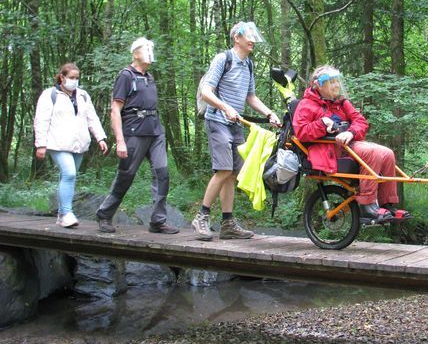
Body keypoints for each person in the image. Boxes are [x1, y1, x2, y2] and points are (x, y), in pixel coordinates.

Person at [192, 21, 281, 241]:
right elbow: (206, 92)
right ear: (236, 38)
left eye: (254, 36)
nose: (252, 40)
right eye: (248, 36)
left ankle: (228, 223)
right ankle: (201, 217)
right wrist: (225, 107)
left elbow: (251, 97)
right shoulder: (223, 59)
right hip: (217, 121)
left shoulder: (248, 65)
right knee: (223, 170)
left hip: (235, 125)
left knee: (232, 174)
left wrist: (270, 114)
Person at [292, 65, 411, 222]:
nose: (337, 85)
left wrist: (351, 132)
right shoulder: (307, 105)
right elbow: (301, 132)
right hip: (326, 150)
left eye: (337, 81)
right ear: (318, 85)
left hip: (346, 146)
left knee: (387, 153)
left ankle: (386, 204)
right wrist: (322, 123)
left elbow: (360, 121)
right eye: (332, 82)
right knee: (370, 152)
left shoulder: (341, 103)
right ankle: (367, 206)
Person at [95, 38, 179, 234]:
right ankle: (105, 215)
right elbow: (115, 110)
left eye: (152, 48)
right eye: (146, 49)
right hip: (134, 131)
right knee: (126, 176)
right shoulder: (125, 76)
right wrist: (120, 141)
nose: (151, 52)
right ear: (135, 54)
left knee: (162, 174)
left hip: (155, 131)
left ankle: (158, 221)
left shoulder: (149, 77)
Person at [34, 63, 109, 228]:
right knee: (69, 174)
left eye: (77, 78)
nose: (74, 81)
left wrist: (101, 138)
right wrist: (40, 144)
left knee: (67, 177)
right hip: (58, 143)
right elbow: (41, 120)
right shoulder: (50, 95)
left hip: (79, 144)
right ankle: (67, 213)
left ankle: (62, 215)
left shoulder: (83, 95)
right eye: (71, 77)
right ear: (62, 77)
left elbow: (92, 118)